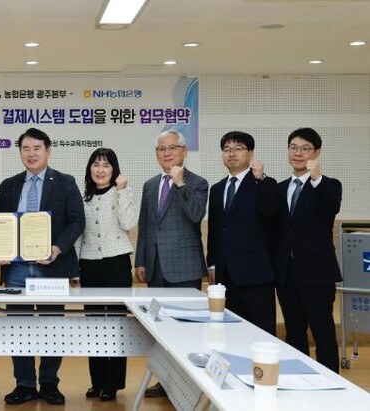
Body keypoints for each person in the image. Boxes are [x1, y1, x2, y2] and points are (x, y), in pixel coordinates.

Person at [0, 127, 85, 405]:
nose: (31, 154)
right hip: (18, 268)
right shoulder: (9, 185)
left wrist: (58, 248)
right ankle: (23, 384)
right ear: (20, 152)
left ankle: (49, 382)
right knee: (18, 326)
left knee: (52, 325)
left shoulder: (65, 182)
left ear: (48, 151)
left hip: (52, 267)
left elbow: (77, 221)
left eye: (37, 148)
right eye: (25, 149)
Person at [134, 130, 208, 398]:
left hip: (184, 267)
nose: (166, 153)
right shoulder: (150, 185)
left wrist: (180, 184)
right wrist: (140, 260)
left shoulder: (197, 182)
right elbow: (145, 226)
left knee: (187, 330)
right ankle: (165, 381)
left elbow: (196, 214)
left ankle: (189, 383)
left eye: (172, 148)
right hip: (155, 267)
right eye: (161, 149)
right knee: (161, 330)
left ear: (184, 151)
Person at [274, 127, 342, 372]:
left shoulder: (329, 185)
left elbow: (331, 208)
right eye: (293, 147)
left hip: (317, 274)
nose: (298, 153)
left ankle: (331, 383)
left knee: (323, 334)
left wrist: (317, 178)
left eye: (305, 148)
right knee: (294, 333)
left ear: (317, 152)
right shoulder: (279, 188)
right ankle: (298, 378)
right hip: (286, 274)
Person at [74, 148, 137, 402]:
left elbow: (128, 223)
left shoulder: (122, 192)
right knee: (95, 324)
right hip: (89, 265)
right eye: (96, 164)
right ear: (90, 168)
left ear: (114, 170)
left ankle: (113, 382)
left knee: (117, 325)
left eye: (106, 165)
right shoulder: (83, 197)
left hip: (117, 264)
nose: (100, 170)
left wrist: (122, 191)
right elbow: (78, 235)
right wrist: (74, 269)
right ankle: (97, 381)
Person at [206, 131, 278, 336]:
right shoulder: (217, 189)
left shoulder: (264, 183)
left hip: (256, 275)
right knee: (230, 334)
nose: (232, 154)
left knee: (261, 333)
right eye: (227, 149)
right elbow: (215, 230)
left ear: (250, 154)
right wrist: (212, 263)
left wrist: (260, 178)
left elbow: (271, 211)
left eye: (238, 149)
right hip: (225, 276)